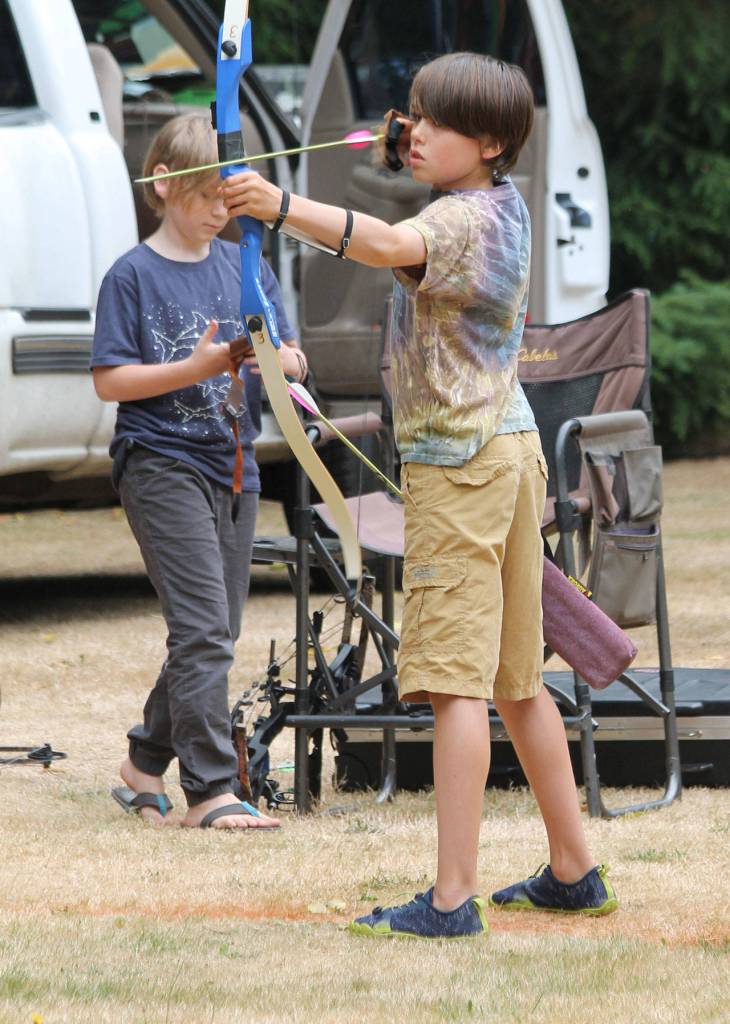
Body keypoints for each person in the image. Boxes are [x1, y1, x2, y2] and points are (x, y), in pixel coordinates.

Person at [221, 53, 619, 931]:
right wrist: (404, 148)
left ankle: (449, 900)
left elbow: (393, 242)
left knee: (455, 688)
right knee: (517, 684)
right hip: (506, 451)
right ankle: (572, 869)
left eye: (436, 122)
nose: (417, 131)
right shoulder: (497, 203)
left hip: (463, 468)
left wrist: (278, 206)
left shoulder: (460, 220)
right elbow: (402, 210)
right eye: (414, 116)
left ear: (489, 143)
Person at [92, 112, 306, 830]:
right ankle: (211, 790)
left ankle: (142, 763)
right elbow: (111, 382)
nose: (223, 210)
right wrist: (199, 366)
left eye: (232, 197)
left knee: (215, 629)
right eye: (209, 195)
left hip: (234, 461)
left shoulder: (244, 261)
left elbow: (291, 354)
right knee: (203, 630)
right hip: (160, 461)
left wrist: (276, 360)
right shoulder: (133, 275)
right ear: (163, 183)